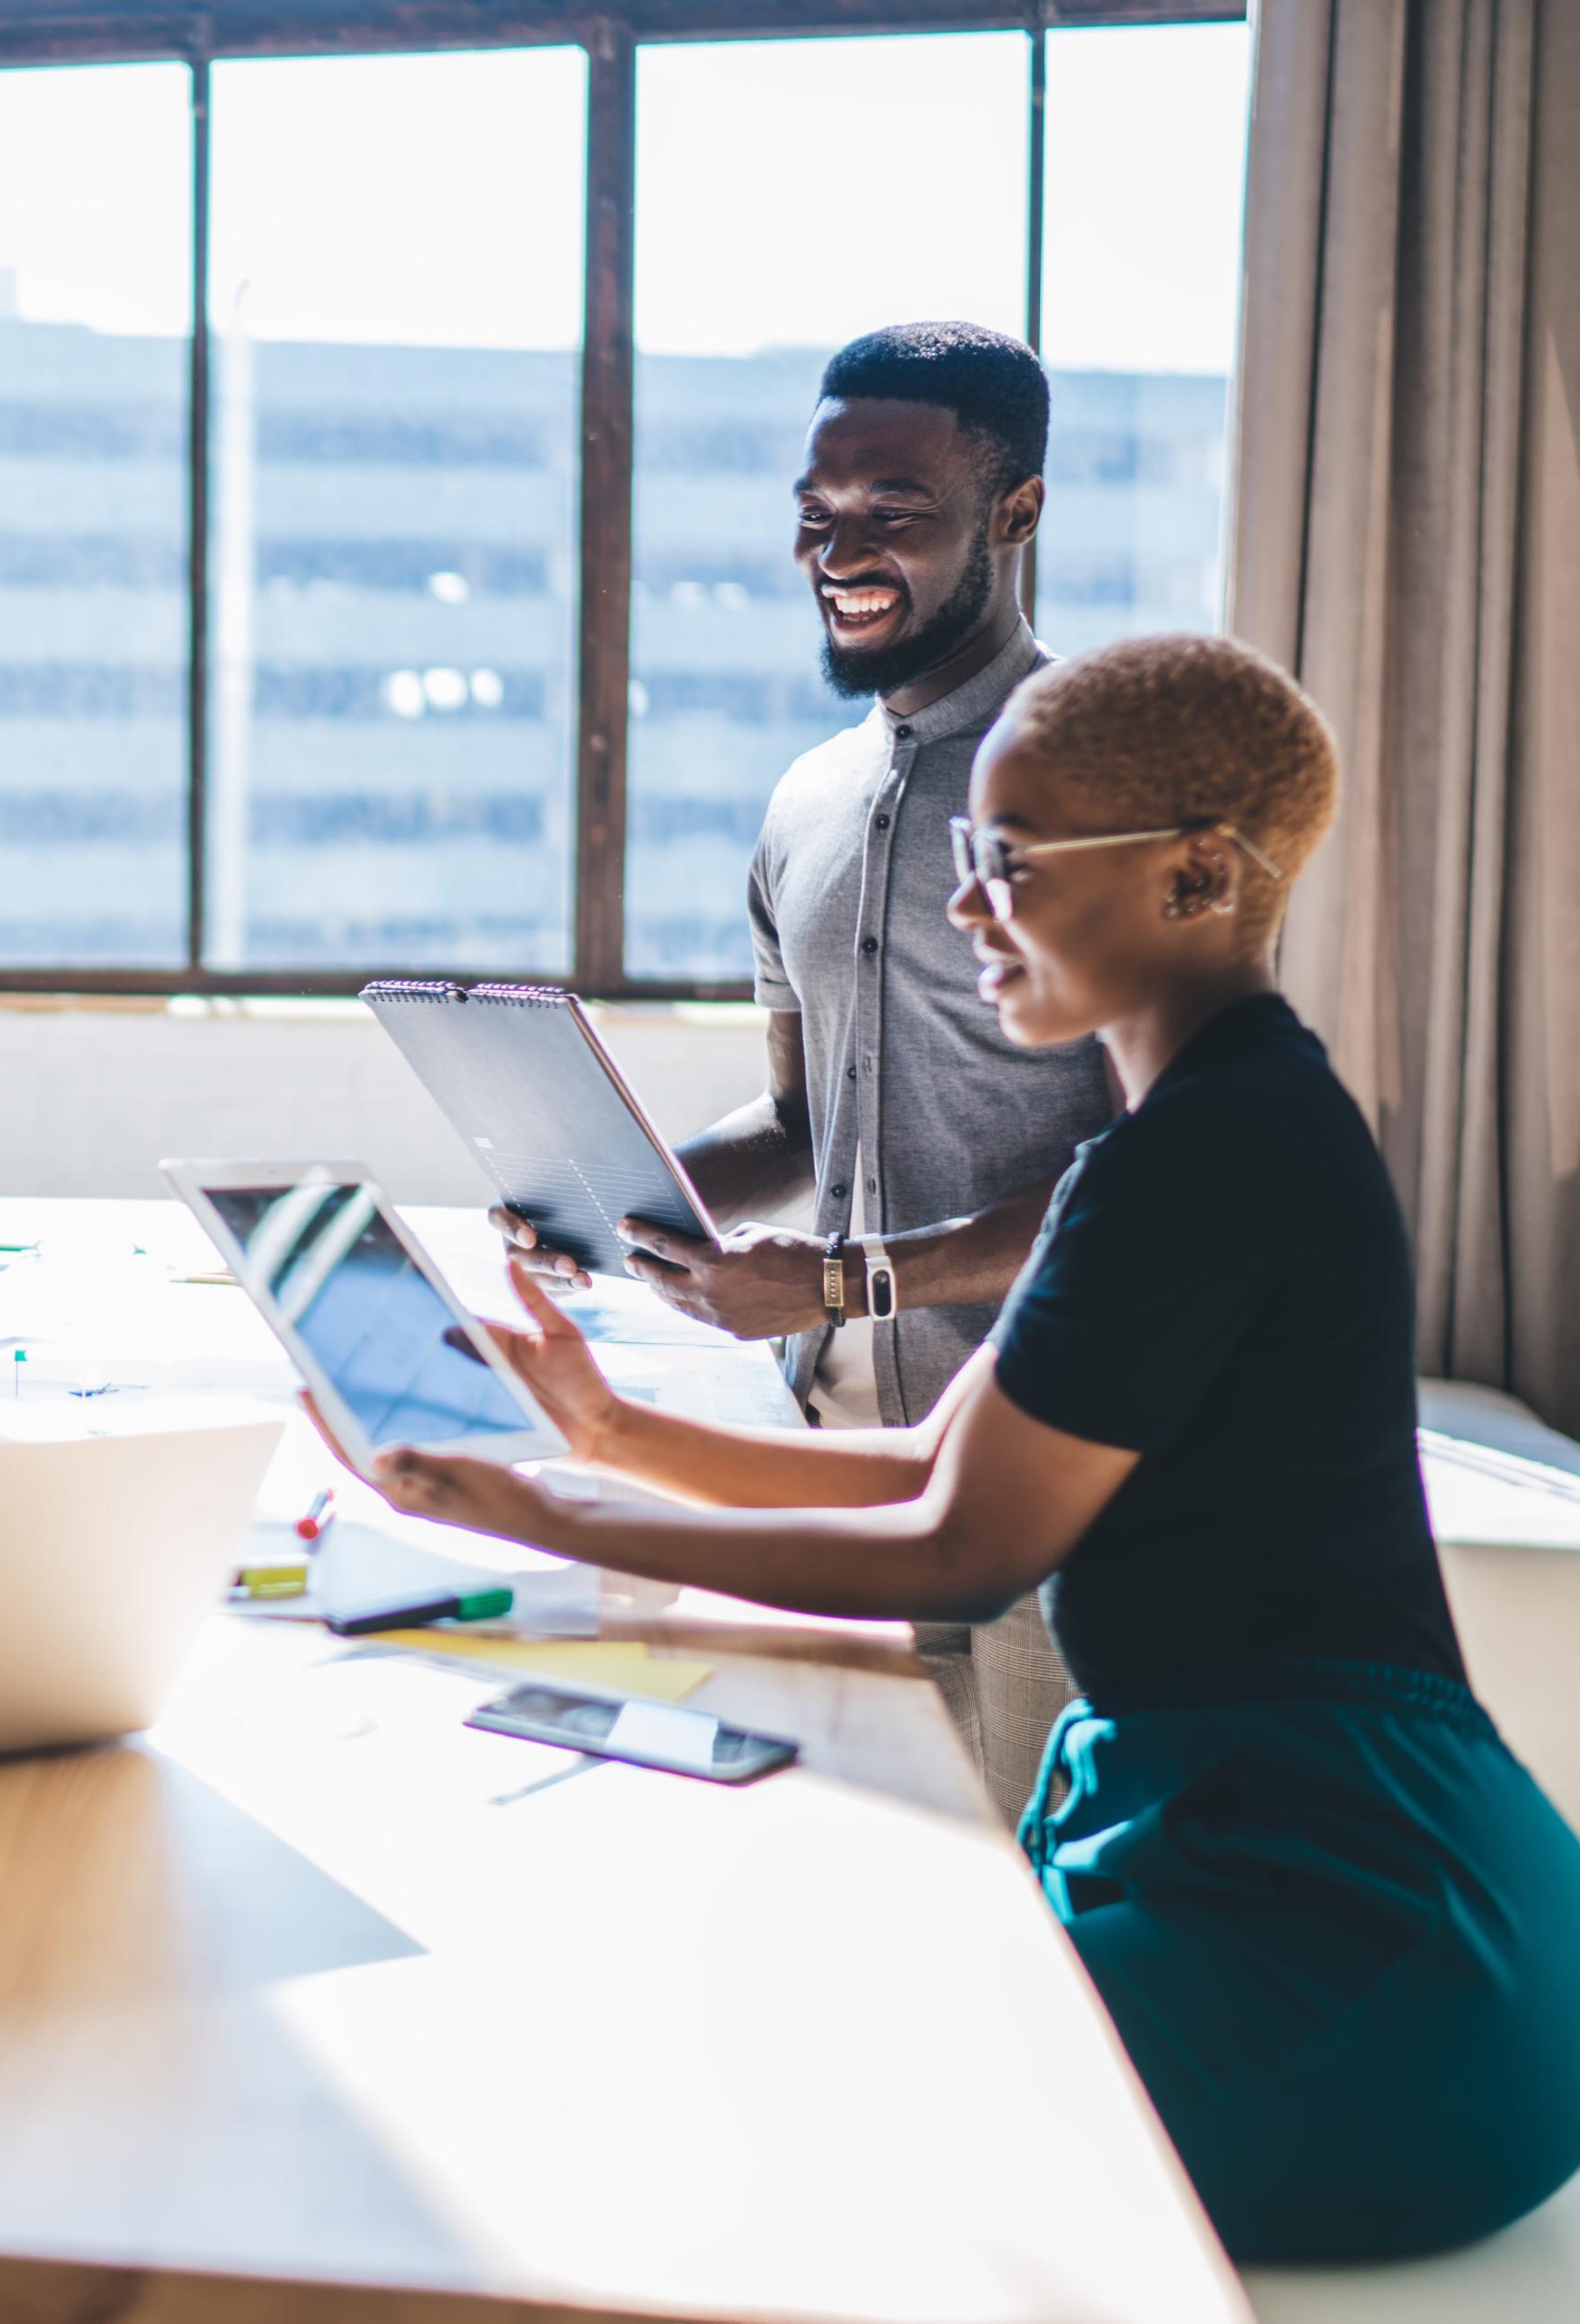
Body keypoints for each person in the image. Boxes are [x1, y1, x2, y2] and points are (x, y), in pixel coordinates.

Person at [387, 635, 1580, 2261]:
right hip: (1350, 1874)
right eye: (969, 857)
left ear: (1197, 875)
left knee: (747, 2113)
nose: (966, 910)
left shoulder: (1214, 1155)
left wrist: (569, 1516)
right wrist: (606, 1425)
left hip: (1359, 1949)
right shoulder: (1186, 1140)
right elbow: (932, 1471)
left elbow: (967, 1552)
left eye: (1008, 862)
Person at [499, 321, 1111, 1804]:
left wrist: (849, 1275)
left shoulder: (1105, 779)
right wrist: (622, 1197)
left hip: (1051, 1475)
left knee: (1033, 1930)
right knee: (855, 1884)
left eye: (892, 509)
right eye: (817, 512)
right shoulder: (808, 799)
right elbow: (802, 1118)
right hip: (823, 1451)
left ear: (1015, 513)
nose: (839, 548)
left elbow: (1157, 1172)